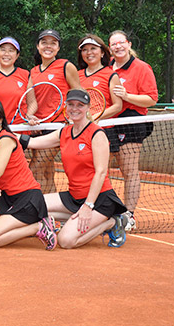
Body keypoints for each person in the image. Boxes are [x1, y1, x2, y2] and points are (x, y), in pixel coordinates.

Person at [24, 89, 128, 248]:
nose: (75, 108)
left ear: (88, 108)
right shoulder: (64, 132)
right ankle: (78, 218)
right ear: (66, 107)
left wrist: (88, 206)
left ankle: (112, 222)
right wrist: (5, 132)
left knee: (66, 241)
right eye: (71, 104)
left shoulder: (97, 134)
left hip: (99, 200)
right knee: (32, 207)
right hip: (74, 196)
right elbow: (33, 143)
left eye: (80, 105)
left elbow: (100, 173)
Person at [0, 98, 57, 250]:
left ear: (1, 119)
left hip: (27, 199)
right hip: (7, 196)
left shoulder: (6, 139)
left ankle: (38, 227)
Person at [107, 30, 158, 231]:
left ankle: (129, 214)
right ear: (110, 48)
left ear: (128, 44)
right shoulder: (106, 67)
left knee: (129, 170)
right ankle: (105, 209)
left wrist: (127, 96)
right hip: (108, 121)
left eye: (121, 42)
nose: (118, 46)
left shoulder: (142, 68)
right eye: (114, 44)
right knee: (100, 169)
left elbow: (151, 99)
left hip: (132, 121)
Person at [27, 29, 81, 193]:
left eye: (53, 43)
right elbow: (31, 101)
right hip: (36, 127)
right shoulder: (33, 71)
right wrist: (30, 115)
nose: (48, 46)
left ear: (58, 48)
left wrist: (75, 117)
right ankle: (51, 214)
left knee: (34, 170)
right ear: (38, 46)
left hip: (57, 127)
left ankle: (38, 210)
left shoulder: (66, 66)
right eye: (44, 43)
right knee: (46, 172)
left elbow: (79, 93)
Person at [76, 34, 122, 121]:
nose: (89, 52)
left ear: (102, 53)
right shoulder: (76, 75)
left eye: (93, 48)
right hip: (81, 127)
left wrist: (95, 117)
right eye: (85, 50)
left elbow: (118, 106)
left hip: (104, 128)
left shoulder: (111, 75)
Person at [0, 37, 29, 125]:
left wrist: (29, 116)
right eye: (3, 50)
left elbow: (32, 102)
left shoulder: (25, 74)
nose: (6, 54)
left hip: (20, 127)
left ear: (17, 55)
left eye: (11, 50)